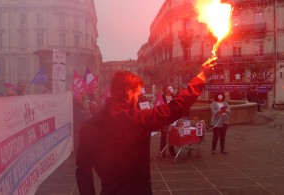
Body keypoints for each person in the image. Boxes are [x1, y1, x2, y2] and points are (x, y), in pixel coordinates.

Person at [75, 56, 217, 195]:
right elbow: (176, 107)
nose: (137, 98)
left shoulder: (88, 126)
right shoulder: (138, 120)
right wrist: (201, 77)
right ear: (129, 95)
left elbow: (82, 171)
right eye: (137, 94)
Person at [159, 85, 176, 157]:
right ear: (165, 90)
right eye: (167, 89)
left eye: (170, 88)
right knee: (164, 136)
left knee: (172, 135)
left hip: (172, 118)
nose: (168, 90)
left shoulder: (174, 97)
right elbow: (159, 106)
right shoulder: (162, 97)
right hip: (165, 118)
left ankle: (172, 151)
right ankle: (162, 152)